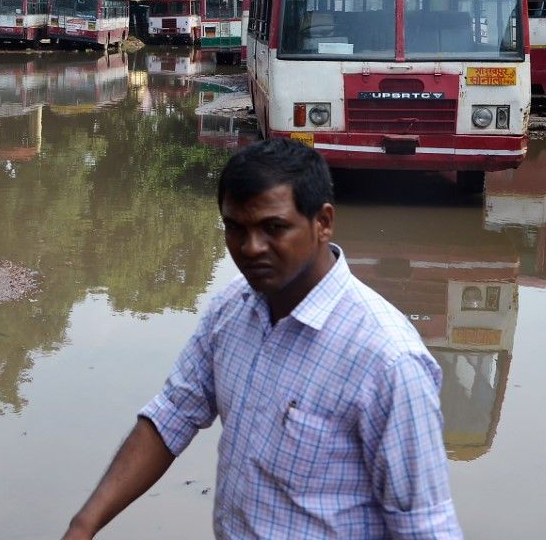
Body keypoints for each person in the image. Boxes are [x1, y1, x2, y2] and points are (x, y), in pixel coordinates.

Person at [62, 138, 462, 539]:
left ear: (323, 223)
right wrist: (83, 526)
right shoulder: (233, 307)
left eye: (274, 228)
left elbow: (425, 526)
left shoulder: (389, 361)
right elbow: (172, 415)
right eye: (235, 228)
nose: (251, 248)